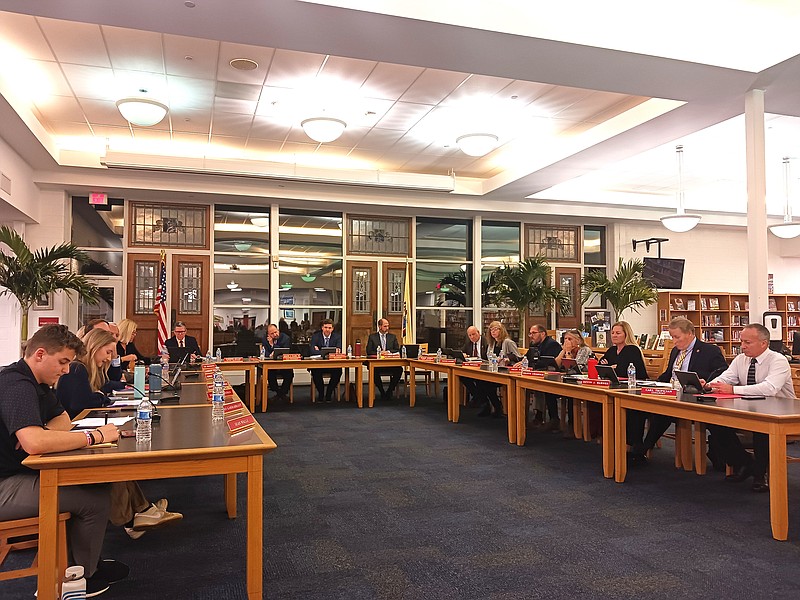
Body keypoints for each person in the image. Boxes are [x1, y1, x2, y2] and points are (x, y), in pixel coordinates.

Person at [0, 324, 126, 596]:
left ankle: (84, 565)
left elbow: (63, 420)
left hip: (21, 474)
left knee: (99, 483)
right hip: (4, 485)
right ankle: (76, 579)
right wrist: (94, 437)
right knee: (92, 499)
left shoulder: (41, 383)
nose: (67, 370)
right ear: (40, 354)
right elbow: (34, 443)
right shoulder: (15, 383)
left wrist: (41, 434)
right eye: (63, 362)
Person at [56, 328, 184, 539]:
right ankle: (135, 518)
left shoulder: (87, 369)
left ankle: (142, 513)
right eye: (107, 352)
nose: (109, 358)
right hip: (75, 435)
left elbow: (104, 387)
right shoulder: (77, 369)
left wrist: (100, 394)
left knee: (119, 454)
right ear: (94, 348)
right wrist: (100, 397)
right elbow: (82, 403)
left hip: (83, 430)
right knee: (115, 460)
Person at [706, 324, 795, 492]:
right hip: (750, 407)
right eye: (741, 341)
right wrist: (709, 385)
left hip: (781, 411)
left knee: (761, 427)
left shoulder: (778, 360)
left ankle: (761, 475)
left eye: (747, 342)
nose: (742, 346)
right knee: (715, 422)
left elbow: (770, 388)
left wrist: (733, 390)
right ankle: (745, 463)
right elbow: (726, 378)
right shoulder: (741, 359)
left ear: (763, 343)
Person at [627, 317, 728, 465]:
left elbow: (722, 372)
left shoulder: (709, 351)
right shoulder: (676, 351)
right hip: (671, 393)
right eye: (672, 337)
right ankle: (634, 445)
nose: (674, 341)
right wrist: (650, 384)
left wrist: (706, 382)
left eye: (677, 337)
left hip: (692, 397)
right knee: (637, 406)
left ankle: (641, 450)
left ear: (690, 333)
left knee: (662, 412)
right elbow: (668, 374)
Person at [598, 321, 648, 448]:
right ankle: (611, 437)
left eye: (618, 333)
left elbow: (629, 371)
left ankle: (632, 443)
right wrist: (612, 367)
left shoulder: (632, 350)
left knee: (631, 409)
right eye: (613, 333)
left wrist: (613, 367)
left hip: (634, 388)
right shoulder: (612, 350)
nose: (614, 335)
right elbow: (602, 365)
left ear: (626, 334)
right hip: (616, 387)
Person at [525, 325, 563, 430]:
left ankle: (553, 419)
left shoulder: (552, 345)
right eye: (530, 333)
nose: (531, 336)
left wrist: (529, 363)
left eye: (534, 333)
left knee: (545, 388)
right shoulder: (534, 344)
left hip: (554, 377)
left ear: (542, 334)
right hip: (539, 375)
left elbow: (547, 363)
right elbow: (528, 358)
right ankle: (528, 416)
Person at [460, 325, 497, 417]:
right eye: (470, 335)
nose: (472, 337)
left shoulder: (487, 341)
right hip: (474, 368)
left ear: (478, 333)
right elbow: (462, 352)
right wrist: (463, 355)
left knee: (481, 381)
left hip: (486, 369)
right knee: (463, 376)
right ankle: (480, 399)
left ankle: (481, 401)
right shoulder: (469, 343)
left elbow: (491, 356)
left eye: (474, 334)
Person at [366, 318, 402, 400]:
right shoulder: (372, 337)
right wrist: (380, 353)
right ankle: (382, 391)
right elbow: (369, 351)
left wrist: (388, 352)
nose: (387, 328)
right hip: (377, 365)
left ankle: (389, 390)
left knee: (399, 370)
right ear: (379, 326)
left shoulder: (392, 337)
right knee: (373, 371)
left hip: (390, 363)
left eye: (388, 326)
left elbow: (397, 349)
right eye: (385, 326)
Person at [310, 319, 342, 403]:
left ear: (332, 329)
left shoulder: (337, 337)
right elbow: (312, 351)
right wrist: (328, 353)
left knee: (338, 371)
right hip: (319, 364)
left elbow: (338, 350)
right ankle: (321, 393)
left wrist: (320, 351)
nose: (327, 329)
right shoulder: (316, 336)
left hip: (332, 364)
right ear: (322, 328)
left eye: (329, 328)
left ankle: (329, 393)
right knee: (315, 372)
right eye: (325, 327)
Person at [264, 323, 293, 401]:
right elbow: (265, 353)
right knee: (269, 373)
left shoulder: (285, 338)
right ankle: (279, 392)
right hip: (271, 366)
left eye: (276, 332)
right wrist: (270, 344)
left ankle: (281, 393)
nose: (275, 334)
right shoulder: (266, 339)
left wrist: (273, 346)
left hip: (284, 365)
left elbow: (284, 351)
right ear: (268, 334)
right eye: (272, 333)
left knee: (289, 373)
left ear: (278, 330)